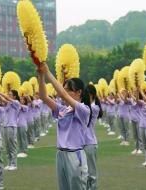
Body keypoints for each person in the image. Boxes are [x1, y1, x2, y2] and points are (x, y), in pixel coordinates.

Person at [37, 62, 91, 190]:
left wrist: (47, 72)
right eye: (65, 88)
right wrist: (41, 76)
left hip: (75, 155)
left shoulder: (84, 110)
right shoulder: (62, 109)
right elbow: (44, 97)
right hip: (61, 155)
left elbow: (63, 95)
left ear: (79, 92)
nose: (65, 91)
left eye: (68, 89)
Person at [84, 84, 103, 190]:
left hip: (90, 143)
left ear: (91, 95)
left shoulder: (95, 108)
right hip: (82, 143)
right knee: (84, 172)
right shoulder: (86, 106)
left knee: (92, 172)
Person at [0, 89, 20, 171]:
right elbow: (3, 99)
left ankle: (14, 164)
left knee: (12, 145)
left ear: (14, 96)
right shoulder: (7, 104)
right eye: (8, 94)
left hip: (12, 126)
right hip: (5, 126)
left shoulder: (16, 103)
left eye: (10, 94)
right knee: (7, 146)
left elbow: (6, 98)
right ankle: (9, 163)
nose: (8, 96)